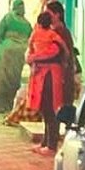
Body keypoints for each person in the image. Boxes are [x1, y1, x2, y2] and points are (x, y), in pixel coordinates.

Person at [26, 9, 70, 154]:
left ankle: (51, 145)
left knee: (51, 109)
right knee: (45, 109)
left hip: (51, 76)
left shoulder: (53, 36)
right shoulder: (50, 36)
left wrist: (34, 58)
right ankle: (46, 141)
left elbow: (56, 52)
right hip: (42, 76)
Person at [0, 0, 32, 118]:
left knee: (0, 77)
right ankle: (10, 104)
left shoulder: (8, 18)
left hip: (5, 52)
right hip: (19, 54)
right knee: (14, 78)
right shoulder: (27, 24)